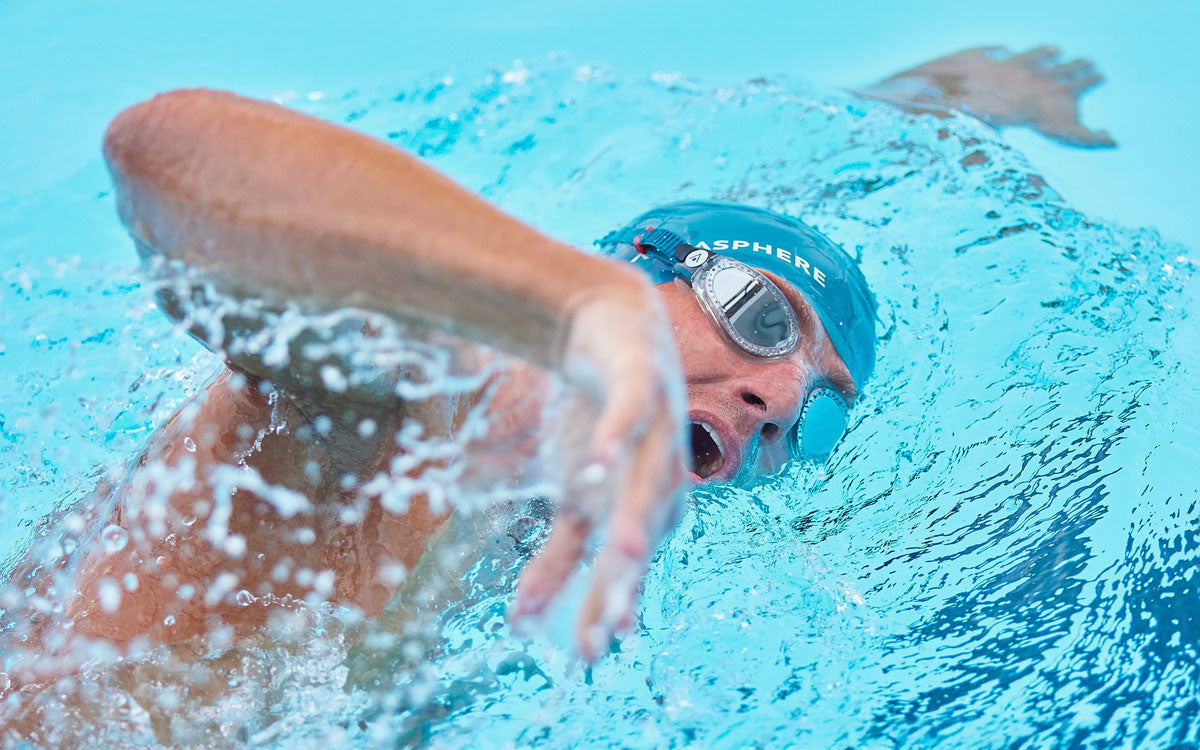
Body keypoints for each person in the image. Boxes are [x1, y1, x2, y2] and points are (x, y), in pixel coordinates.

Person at [1, 44, 1111, 728]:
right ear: (634, 269)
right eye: (764, 319)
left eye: (813, 407)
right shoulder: (417, 390)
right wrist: (584, 311)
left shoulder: (533, 548)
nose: (778, 395)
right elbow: (165, 152)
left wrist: (942, 96)